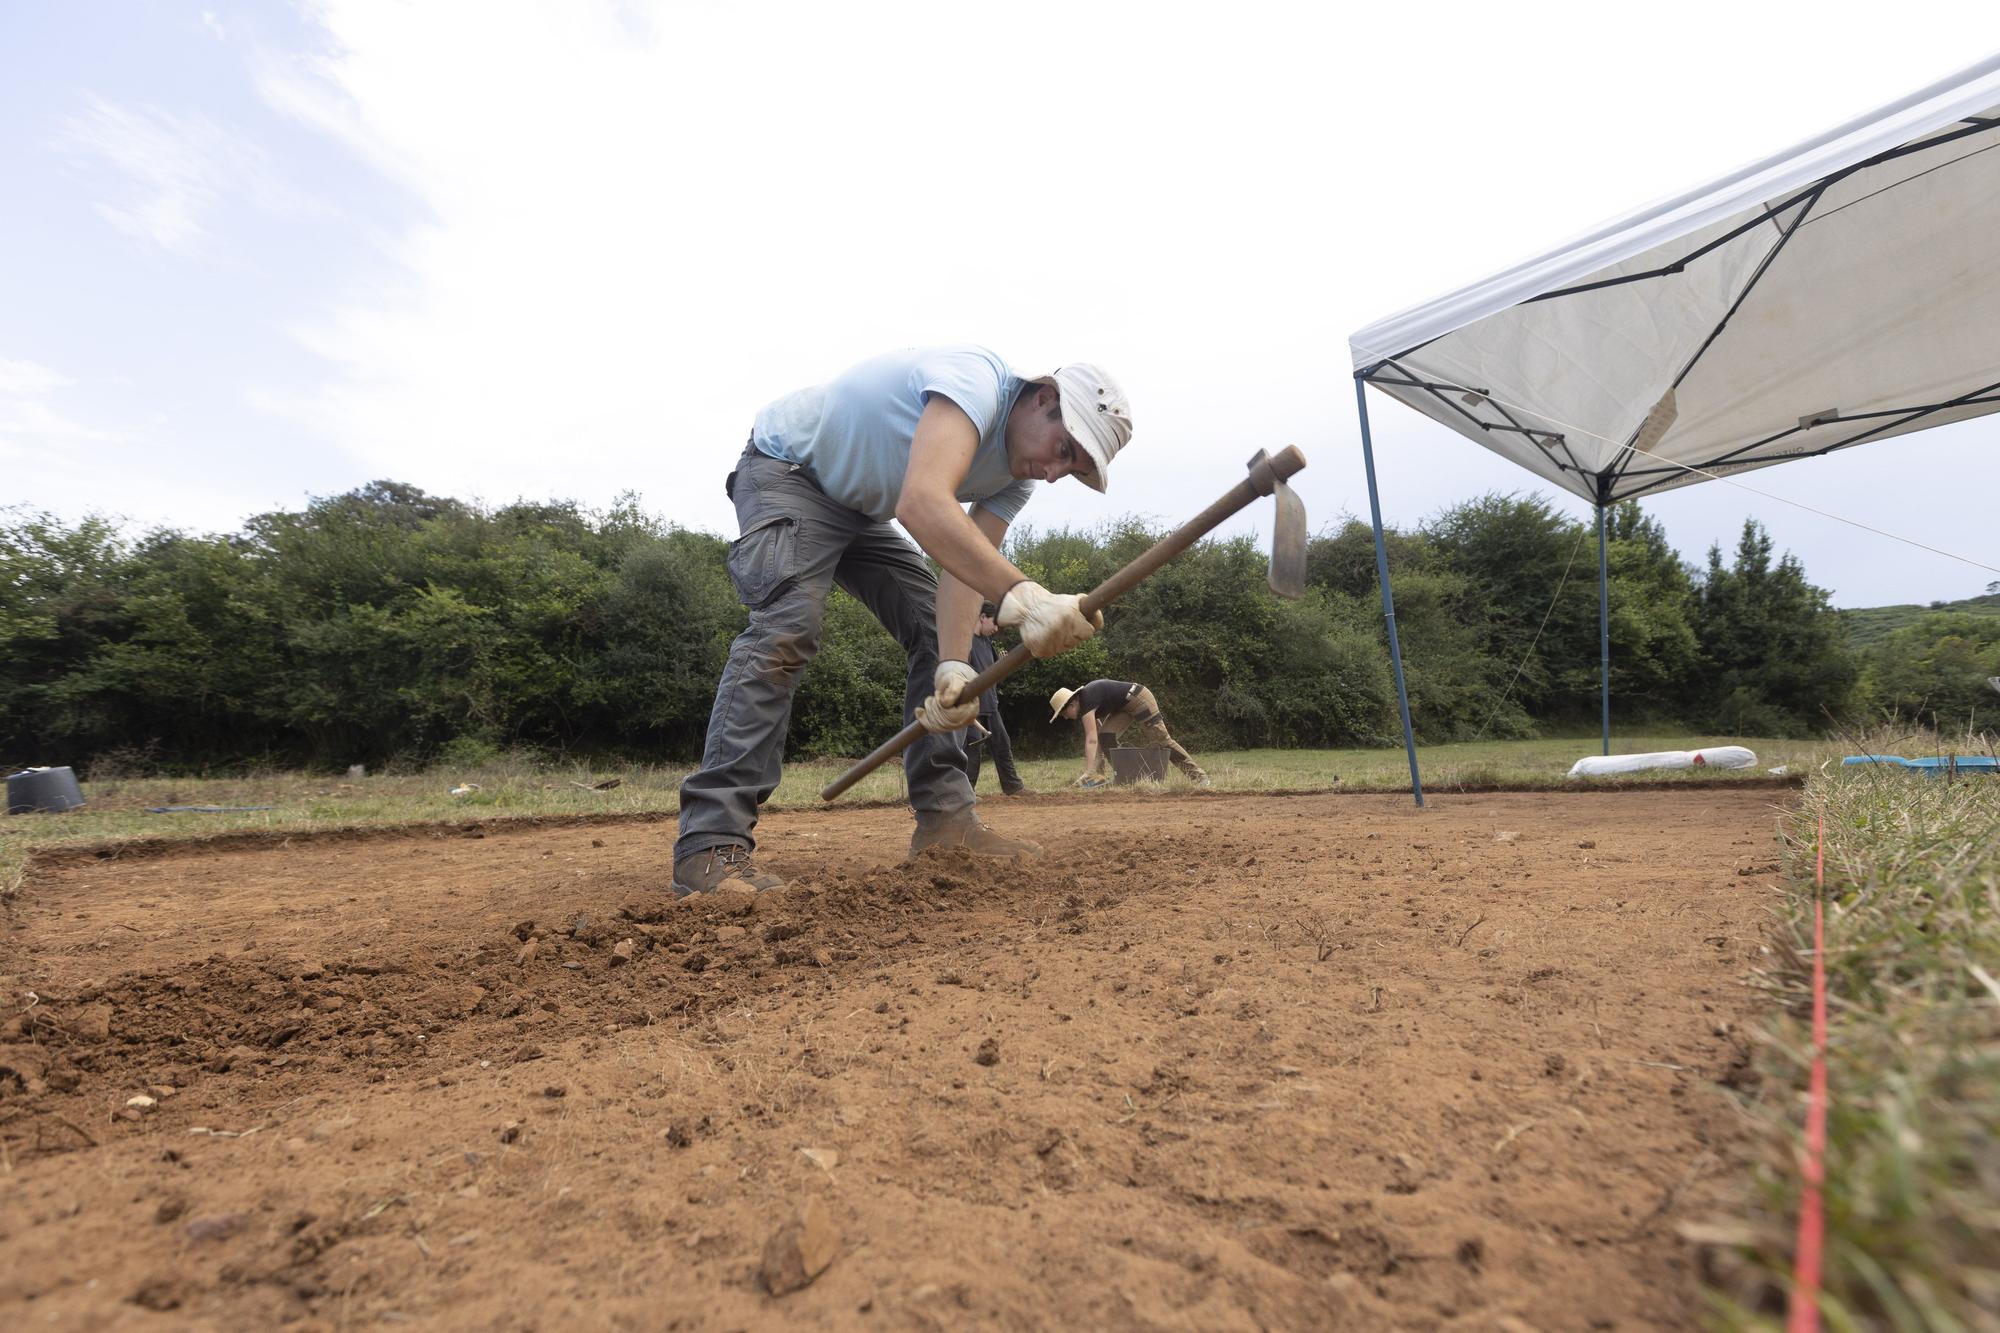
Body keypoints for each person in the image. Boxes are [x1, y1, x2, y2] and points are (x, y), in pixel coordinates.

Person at [671, 346, 1133, 897]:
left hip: (861, 509)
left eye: (1074, 470)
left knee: (943, 640)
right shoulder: (975, 385)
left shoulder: (1015, 480)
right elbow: (921, 504)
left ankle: (947, 822)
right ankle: (710, 844)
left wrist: (955, 666)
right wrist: (1025, 599)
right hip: (788, 471)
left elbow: (962, 566)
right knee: (787, 627)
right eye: (1064, 450)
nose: (1056, 473)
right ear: (1042, 399)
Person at [1049, 680, 1209, 787]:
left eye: (1063, 714)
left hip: (1138, 698)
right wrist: (1095, 775)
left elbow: (1090, 740)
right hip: (1123, 706)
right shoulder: (1085, 703)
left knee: (1161, 740)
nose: (1065, 718)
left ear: (1071, 705)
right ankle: (1123, 779)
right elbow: (1097, 738)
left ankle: (1200, 777)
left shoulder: (1086, 703)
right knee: (1106, 738)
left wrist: (1088, 771)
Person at [960, 603, 1026, 796]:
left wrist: (1003, 666)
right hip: (972, 708)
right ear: (982, 617)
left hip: (991, 705)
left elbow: (992, 675)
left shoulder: (987, 643)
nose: (996, 629)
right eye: (995, 623)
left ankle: (1013, 788)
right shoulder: (965, 642)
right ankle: (966, 793)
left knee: (1002, 745)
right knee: (973, 750)